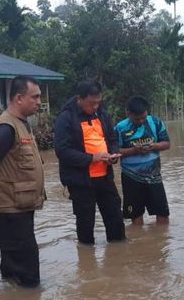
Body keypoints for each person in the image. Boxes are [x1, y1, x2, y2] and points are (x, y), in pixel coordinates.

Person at [0, 75, 46, 288]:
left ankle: (10, 291)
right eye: (35, 97)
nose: (39, 102)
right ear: (19, 98)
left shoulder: (21, 124)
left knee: (15, 265)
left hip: (18, 206)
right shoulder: (4, 129)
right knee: (28, 271)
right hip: (7, 209)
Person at [54, 80, 126, 245]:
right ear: (79, 99)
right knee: (86, 223)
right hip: (80, 181)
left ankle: (119, 254)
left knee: (115, 217)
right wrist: (91, 158)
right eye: (91, 103)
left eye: (98, 103)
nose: (95, 107)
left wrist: (113, 154)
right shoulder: (65, 118)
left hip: (105, 177)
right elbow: (62, 151)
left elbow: (112, 139)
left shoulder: (102, 114)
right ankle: (87, 260)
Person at [115, 95, 171, 225]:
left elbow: (167, 144)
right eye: (137, 118)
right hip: (131, 177)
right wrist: (134, 151)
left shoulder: (156, 122)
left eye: (144, 117)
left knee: (162, 214)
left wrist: (154, 146)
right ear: (128, 113)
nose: (141, 121)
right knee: (135, 216)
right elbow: (114, 152)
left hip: (154, 177)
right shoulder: (119, 128)